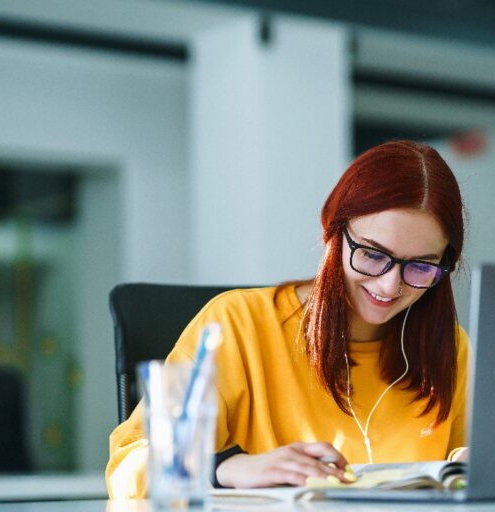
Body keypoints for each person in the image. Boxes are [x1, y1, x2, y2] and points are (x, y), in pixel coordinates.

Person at [106, 140, 469, 498]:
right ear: (333, 233)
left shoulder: (450, 347)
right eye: (373, 255)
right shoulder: (235, 324)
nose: (390, 286)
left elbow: (466, 462)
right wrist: (226, 468)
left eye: (421, 265)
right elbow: (127, 466)